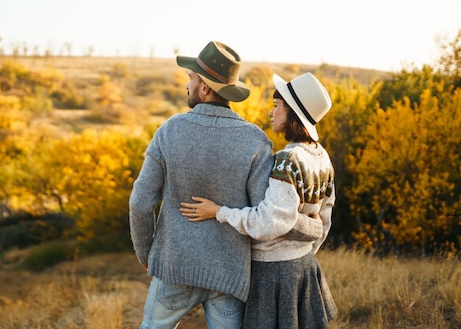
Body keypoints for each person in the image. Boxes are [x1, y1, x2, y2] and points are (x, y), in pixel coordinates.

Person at [129, 42, 322, 329]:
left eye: (192, 78)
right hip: (228, 276)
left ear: (205, 88)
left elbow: (140, 202)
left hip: (174, 268)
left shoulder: (169, 132)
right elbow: (265, 216)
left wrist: (147, 255)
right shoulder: (255, 141)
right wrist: (311, 227)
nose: (188, 84)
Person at [181, 72, 338, 329]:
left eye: (277, 106)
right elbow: (324, 220)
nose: (271, 113)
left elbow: (268, 222)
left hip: (274, 272)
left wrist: (219, 211)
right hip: (305, 266)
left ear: (293, 114)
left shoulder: (288, 160)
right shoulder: (321, 156)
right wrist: (303, 251)